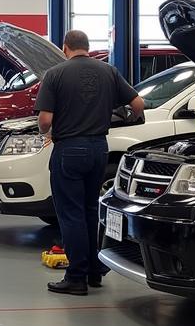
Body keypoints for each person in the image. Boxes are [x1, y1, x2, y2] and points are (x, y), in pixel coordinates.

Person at [36, 30, 144, 296]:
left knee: (70, 214)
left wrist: (44, 133)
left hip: (69, 150)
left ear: (65, 48)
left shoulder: (55, 74)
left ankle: (76, 278)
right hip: (99, 148)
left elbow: (46, 120)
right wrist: (126, 119)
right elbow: (138, 103)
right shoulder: (108, 71)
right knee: (90, 210)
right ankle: (95, 270)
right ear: (87, 46)